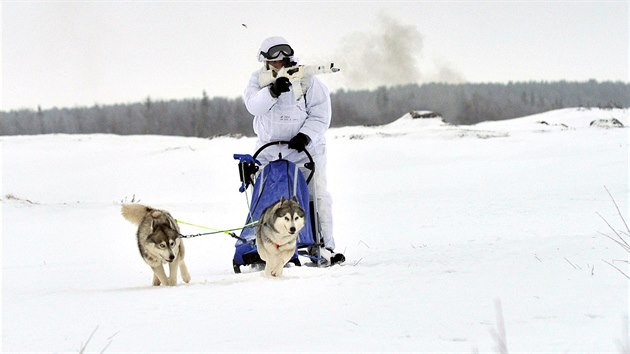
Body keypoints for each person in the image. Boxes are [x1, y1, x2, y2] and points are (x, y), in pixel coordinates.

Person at [243, 36, 344, 265]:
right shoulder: (257, 80)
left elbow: (320, 114)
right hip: (268, 151)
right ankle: (262, 247)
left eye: (283, 59)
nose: (279, 63)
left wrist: (305, 135)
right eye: (274, 60)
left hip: (305, 150)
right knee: (267, 199)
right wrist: (273, 91)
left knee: (315, 196)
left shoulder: (308, 79)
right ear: (266, 61)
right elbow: (253, 106)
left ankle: (324, 245)